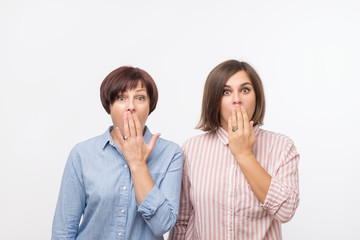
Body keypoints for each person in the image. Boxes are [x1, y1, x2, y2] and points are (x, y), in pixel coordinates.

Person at [169, 60, 300, 240]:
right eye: (226, 91)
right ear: (214, 99)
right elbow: (182, 221)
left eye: (245, 90)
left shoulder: (281, 146)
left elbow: (286, 211)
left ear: (257, 96)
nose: (236, 99)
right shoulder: (191, 149)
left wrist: (244, 154)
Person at [52, 66, 183, 240]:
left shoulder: (170, 154)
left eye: (140, 98)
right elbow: (64, 230)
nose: (131, 107)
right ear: (109, 105)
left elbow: (162, 225)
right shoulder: (82, 154)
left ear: (150, 105)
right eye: (121, 98)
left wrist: (138, 165)